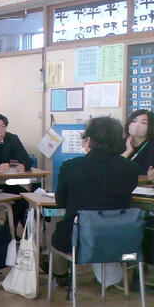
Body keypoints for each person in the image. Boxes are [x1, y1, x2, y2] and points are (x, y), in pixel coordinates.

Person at [51, 117, 139, 285]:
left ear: (89, 140)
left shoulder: (71, 166)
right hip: (118, 238)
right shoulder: (131, 169)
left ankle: (61, 276)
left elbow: (60, 202)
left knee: (59, 232)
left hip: (79, 239)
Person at [122, 109, 154, 174]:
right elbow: (112, 166)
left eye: (143, 123)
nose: (137, 125)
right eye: (134, 121)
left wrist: (122, 166)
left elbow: (147, 170)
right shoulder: (121, 141)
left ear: (151, 126)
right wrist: (128, 151)